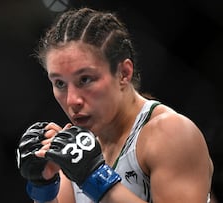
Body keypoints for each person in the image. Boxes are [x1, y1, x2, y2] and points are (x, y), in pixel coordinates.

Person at [16, 7, 214, 203]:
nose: (72, 100)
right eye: (60, 83)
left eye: (85, 79)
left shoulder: (171, 133)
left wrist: (95, 177)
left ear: (123, 73)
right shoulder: (77, 150)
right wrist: (44, 187)